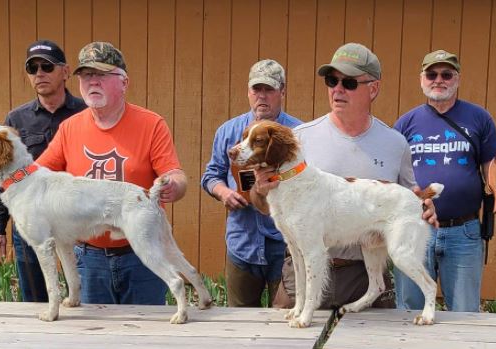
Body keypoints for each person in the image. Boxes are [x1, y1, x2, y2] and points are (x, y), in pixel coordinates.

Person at [253, 43, 437, 309]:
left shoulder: (396, 143)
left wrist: (425, 206)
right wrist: (261, 190)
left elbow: (409, 198)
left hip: (364, 275)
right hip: (301, 271)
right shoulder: (297, 140)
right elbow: (262, 203)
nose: (337, 89)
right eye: (332, 80)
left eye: (349, 82)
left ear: (373, 89)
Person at [35, 41, 187, 305]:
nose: (92, 82)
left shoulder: (151, 124)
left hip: (141, 257)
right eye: (86, 75)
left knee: (146, 335)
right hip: (88, 258)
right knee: (94, 338)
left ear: (124, 82)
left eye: (102, 75)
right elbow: (37, 174)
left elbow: (175, 175)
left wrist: (173, 185)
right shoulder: (69, 128)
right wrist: (5, 164)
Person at [393, 50, 496, 312]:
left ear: (457, 79)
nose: (438, 80)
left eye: (446, 74)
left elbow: (493, 166)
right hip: (414, 229)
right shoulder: (405, 123)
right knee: (410, 311)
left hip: (464, 232)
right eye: (431, 74)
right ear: (421, 79)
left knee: (465, 315)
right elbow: (393, 174)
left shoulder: (479, 118)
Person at [0, 39, 87, 302]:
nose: (39, 73)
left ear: (65, 72)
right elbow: (2, 176)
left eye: (47, 66)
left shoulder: (87, 115)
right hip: (29, 222)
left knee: (83, 302)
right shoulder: (16, 119)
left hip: (75, 219)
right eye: (32, 68)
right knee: (34, 301)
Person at [200, 59, 302, 307]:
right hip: (242, 241)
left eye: (269, 89)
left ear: (283, 92)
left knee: (283, 319)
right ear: (248, 92)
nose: (262, 96)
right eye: (257, 89)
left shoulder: (299, 133)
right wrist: (223, 192)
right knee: (240, 322)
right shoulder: (228, 131)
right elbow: (211, 174)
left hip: (285, 245)